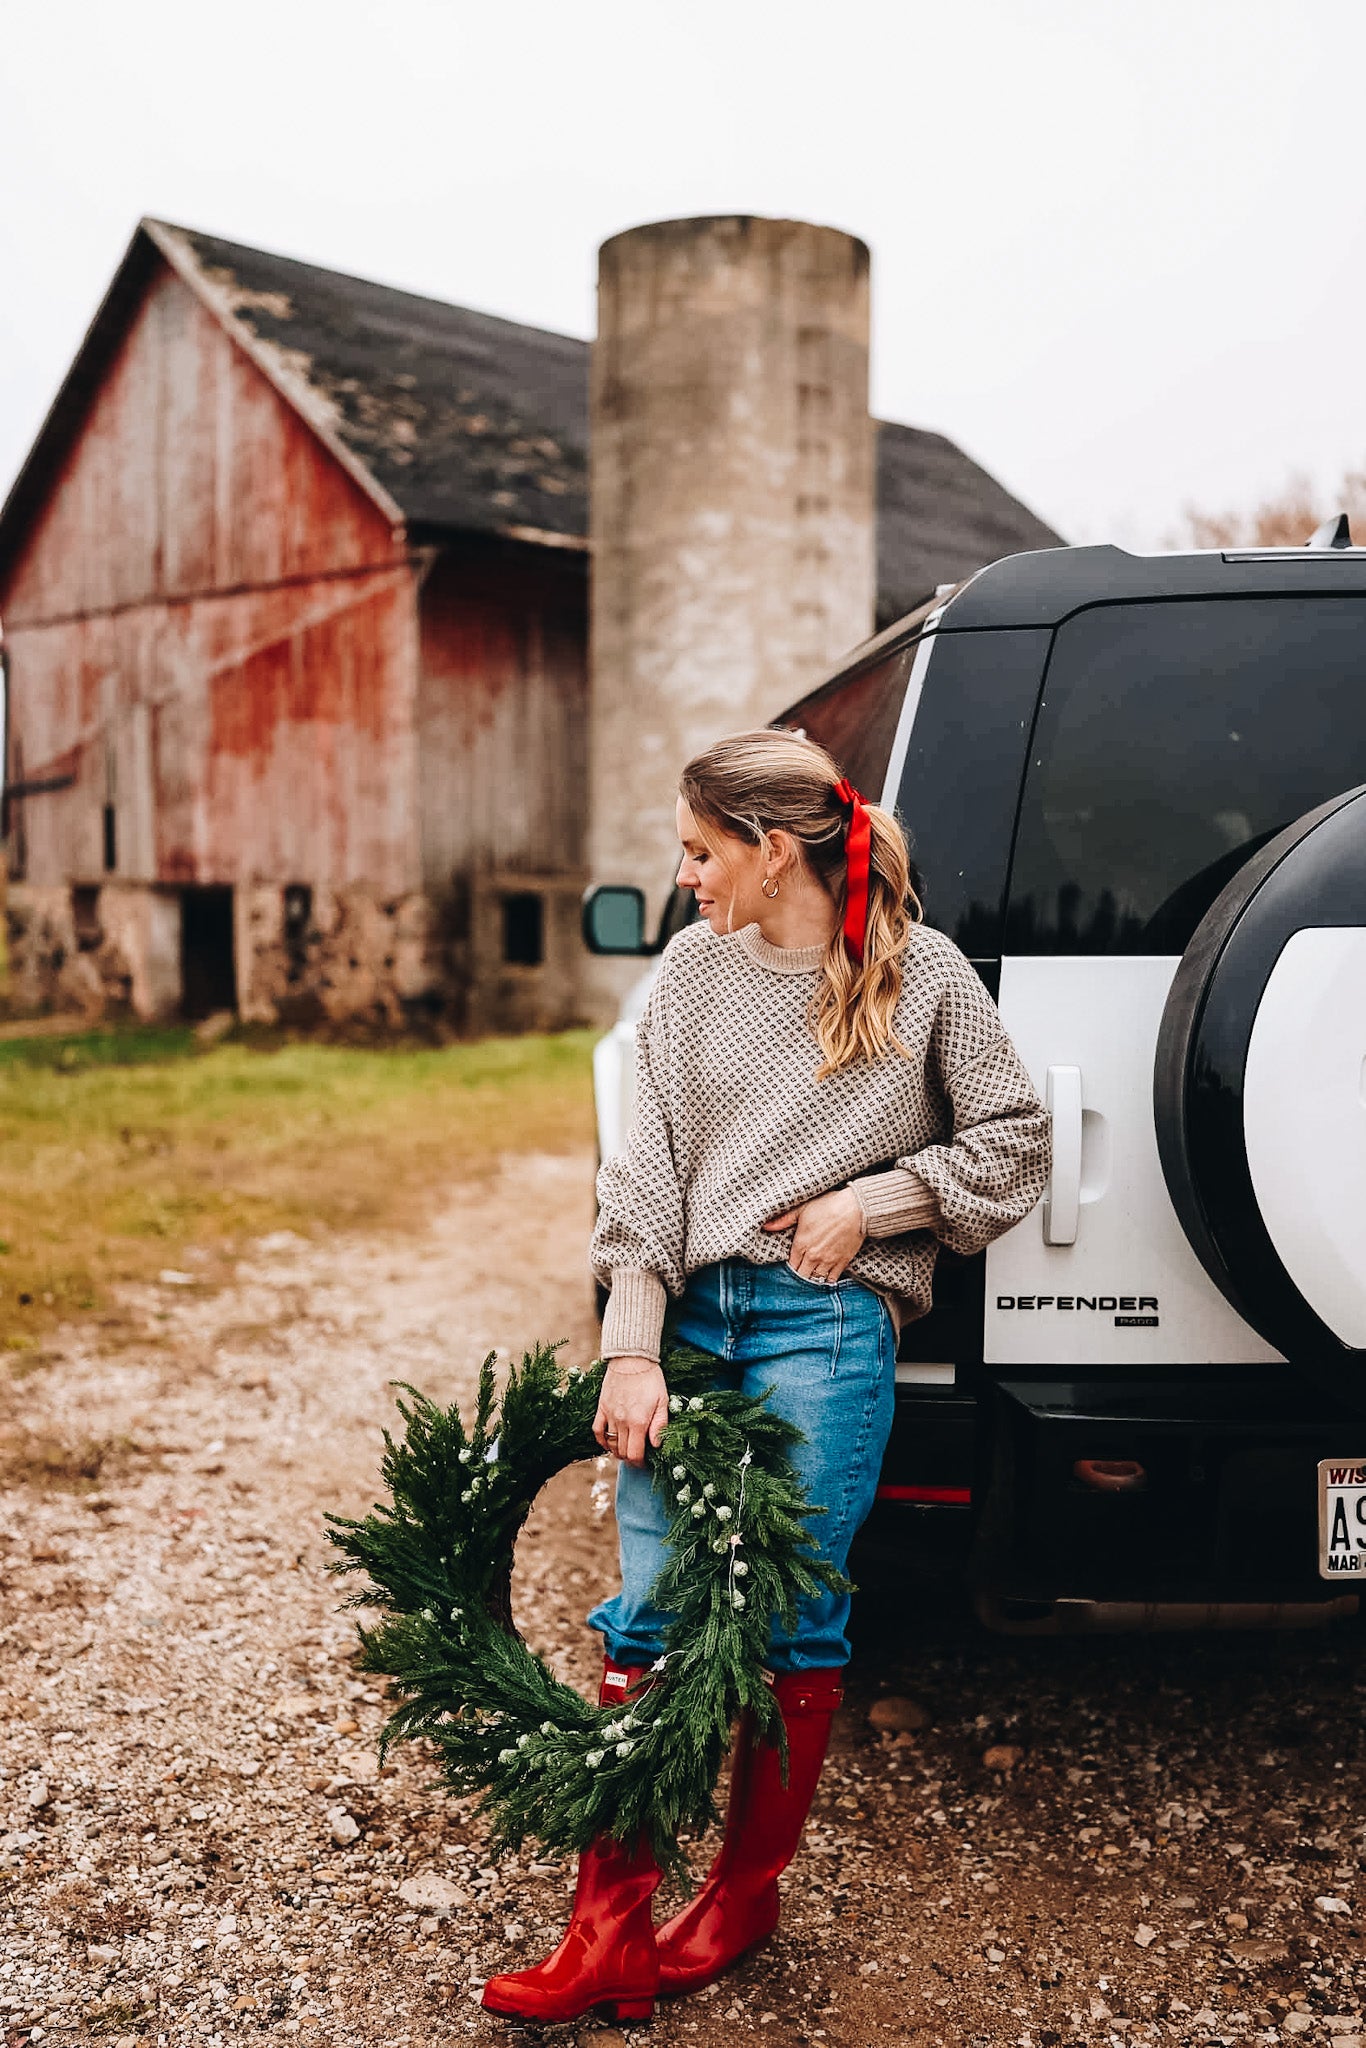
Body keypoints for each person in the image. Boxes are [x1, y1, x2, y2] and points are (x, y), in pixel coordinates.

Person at [481, 729, 1051, 2025]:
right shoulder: (689, 972)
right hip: (689, 1326)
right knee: (647, 1618)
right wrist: (630, 1345)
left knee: (792, 1620)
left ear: (770, 847)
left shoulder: (923, 976)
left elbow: (1016, 1143)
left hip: (826, 1331)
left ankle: (743, 1898)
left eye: (698, 851)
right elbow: (642, 1173)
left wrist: (879, 1200)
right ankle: (607, 1932)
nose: (683, 876)